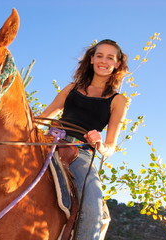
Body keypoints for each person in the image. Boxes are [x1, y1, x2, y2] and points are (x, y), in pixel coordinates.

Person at [38, 39, 129, 239]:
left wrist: (100, 144)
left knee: (94, 210)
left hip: (79, 154)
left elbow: (110, 147)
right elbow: (43, 118)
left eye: (110, 58)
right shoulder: (71, 88)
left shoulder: (118, 101)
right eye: (99, 56)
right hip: (48, 141)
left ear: (118, 64)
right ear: (91, 60)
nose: (103, 61)